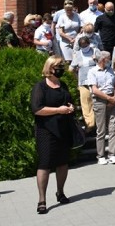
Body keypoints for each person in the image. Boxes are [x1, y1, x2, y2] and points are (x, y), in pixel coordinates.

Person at [31, 56, 76, 214]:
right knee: (45, 164)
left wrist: (70, 107)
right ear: (49, 68)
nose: (61, 68)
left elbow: (69, 101)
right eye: (58, 66)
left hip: (63, 128)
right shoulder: (40, 87)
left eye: (62, 65)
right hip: (46, 130)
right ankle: (42, 200)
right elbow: (37, 109)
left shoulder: (62, 84)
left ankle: (60, 192)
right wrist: (58, 110)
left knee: (63, 163)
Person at [88, 50, 115, 165]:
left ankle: (112, 154)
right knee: (101, 130)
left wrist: (114, 97)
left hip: (112, 99)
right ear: (102, 60)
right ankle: (101, 155)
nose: (110, 60)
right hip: (100, 101)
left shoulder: (110, 70)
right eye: (108, 58)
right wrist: (108, 98)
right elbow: (94, 89)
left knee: (113, 128)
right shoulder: (92, 71)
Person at [70, 35, 97, 131]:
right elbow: (71, 69)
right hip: (83, 82)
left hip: (96, 83)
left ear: (89, 44)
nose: (84, 48)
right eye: (82, 46)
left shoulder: (95, 51)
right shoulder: (77, 54)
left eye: (85, 45)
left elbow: (105, 63)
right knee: (85, 103)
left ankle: (99, 122)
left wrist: (96, 59)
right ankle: (90, 124)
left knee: (97, 103)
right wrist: (76, 78)